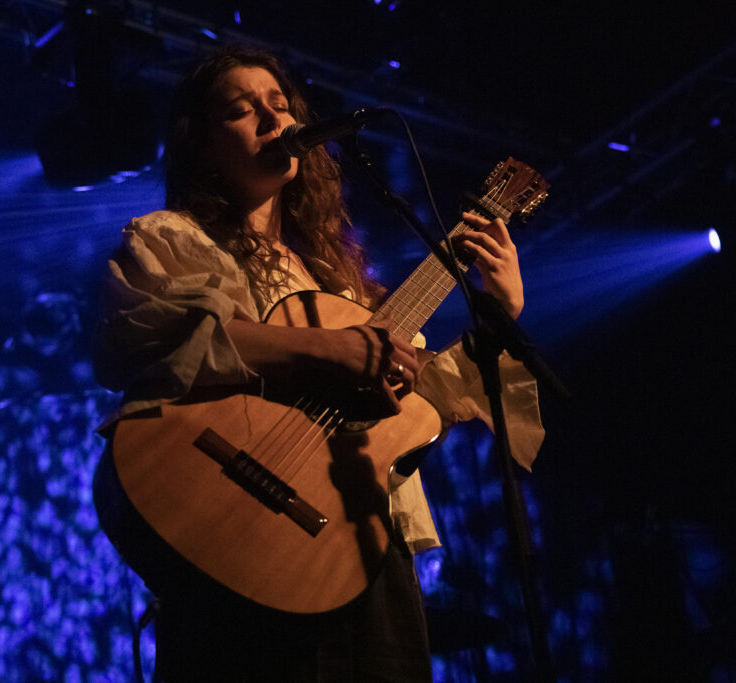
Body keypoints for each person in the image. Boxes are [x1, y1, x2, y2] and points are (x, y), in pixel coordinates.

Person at [94, 45, 544, 682]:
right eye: (241, 112)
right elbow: (151, 341)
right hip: (237, 529)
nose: (272, 121)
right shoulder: (173, 240)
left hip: (354, 536)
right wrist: (327, 348)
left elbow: (424, 408)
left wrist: (497, 318)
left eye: (280, 106)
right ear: (200, 144)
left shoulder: (341, 286)